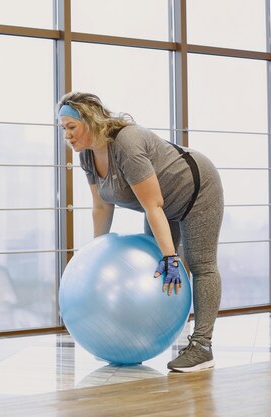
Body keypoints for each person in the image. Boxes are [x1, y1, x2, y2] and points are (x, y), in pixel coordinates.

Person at [57, 91, 224, 373]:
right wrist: (96, 254)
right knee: (154, 268)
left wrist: (171, 257)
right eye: (63, 130)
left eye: (71, 127)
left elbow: (153, 204)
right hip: (161, 205)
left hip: (197, 189)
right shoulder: (87, 157)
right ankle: (144, 335)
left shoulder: (126, 143)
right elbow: (101, 207)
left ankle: (202, 346)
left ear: (91, 119)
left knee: (199, 264)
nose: (67, 136)